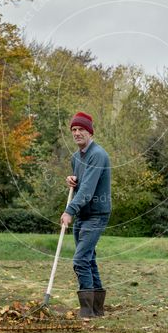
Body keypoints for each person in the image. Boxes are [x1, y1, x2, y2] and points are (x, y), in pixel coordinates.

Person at [60, 112, 111, 318]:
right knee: (88, 259)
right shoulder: (76, 157)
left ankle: (86, 311)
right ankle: (97, 310)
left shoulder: (97, 155)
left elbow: (88, 190)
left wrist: (69, 210)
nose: (77, 133)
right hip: (83, 214)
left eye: (81, 129)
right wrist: (72, 179)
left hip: (97, 214)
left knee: (80, 259)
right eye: (74, 130)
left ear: (90, 132)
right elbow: (82, 183)